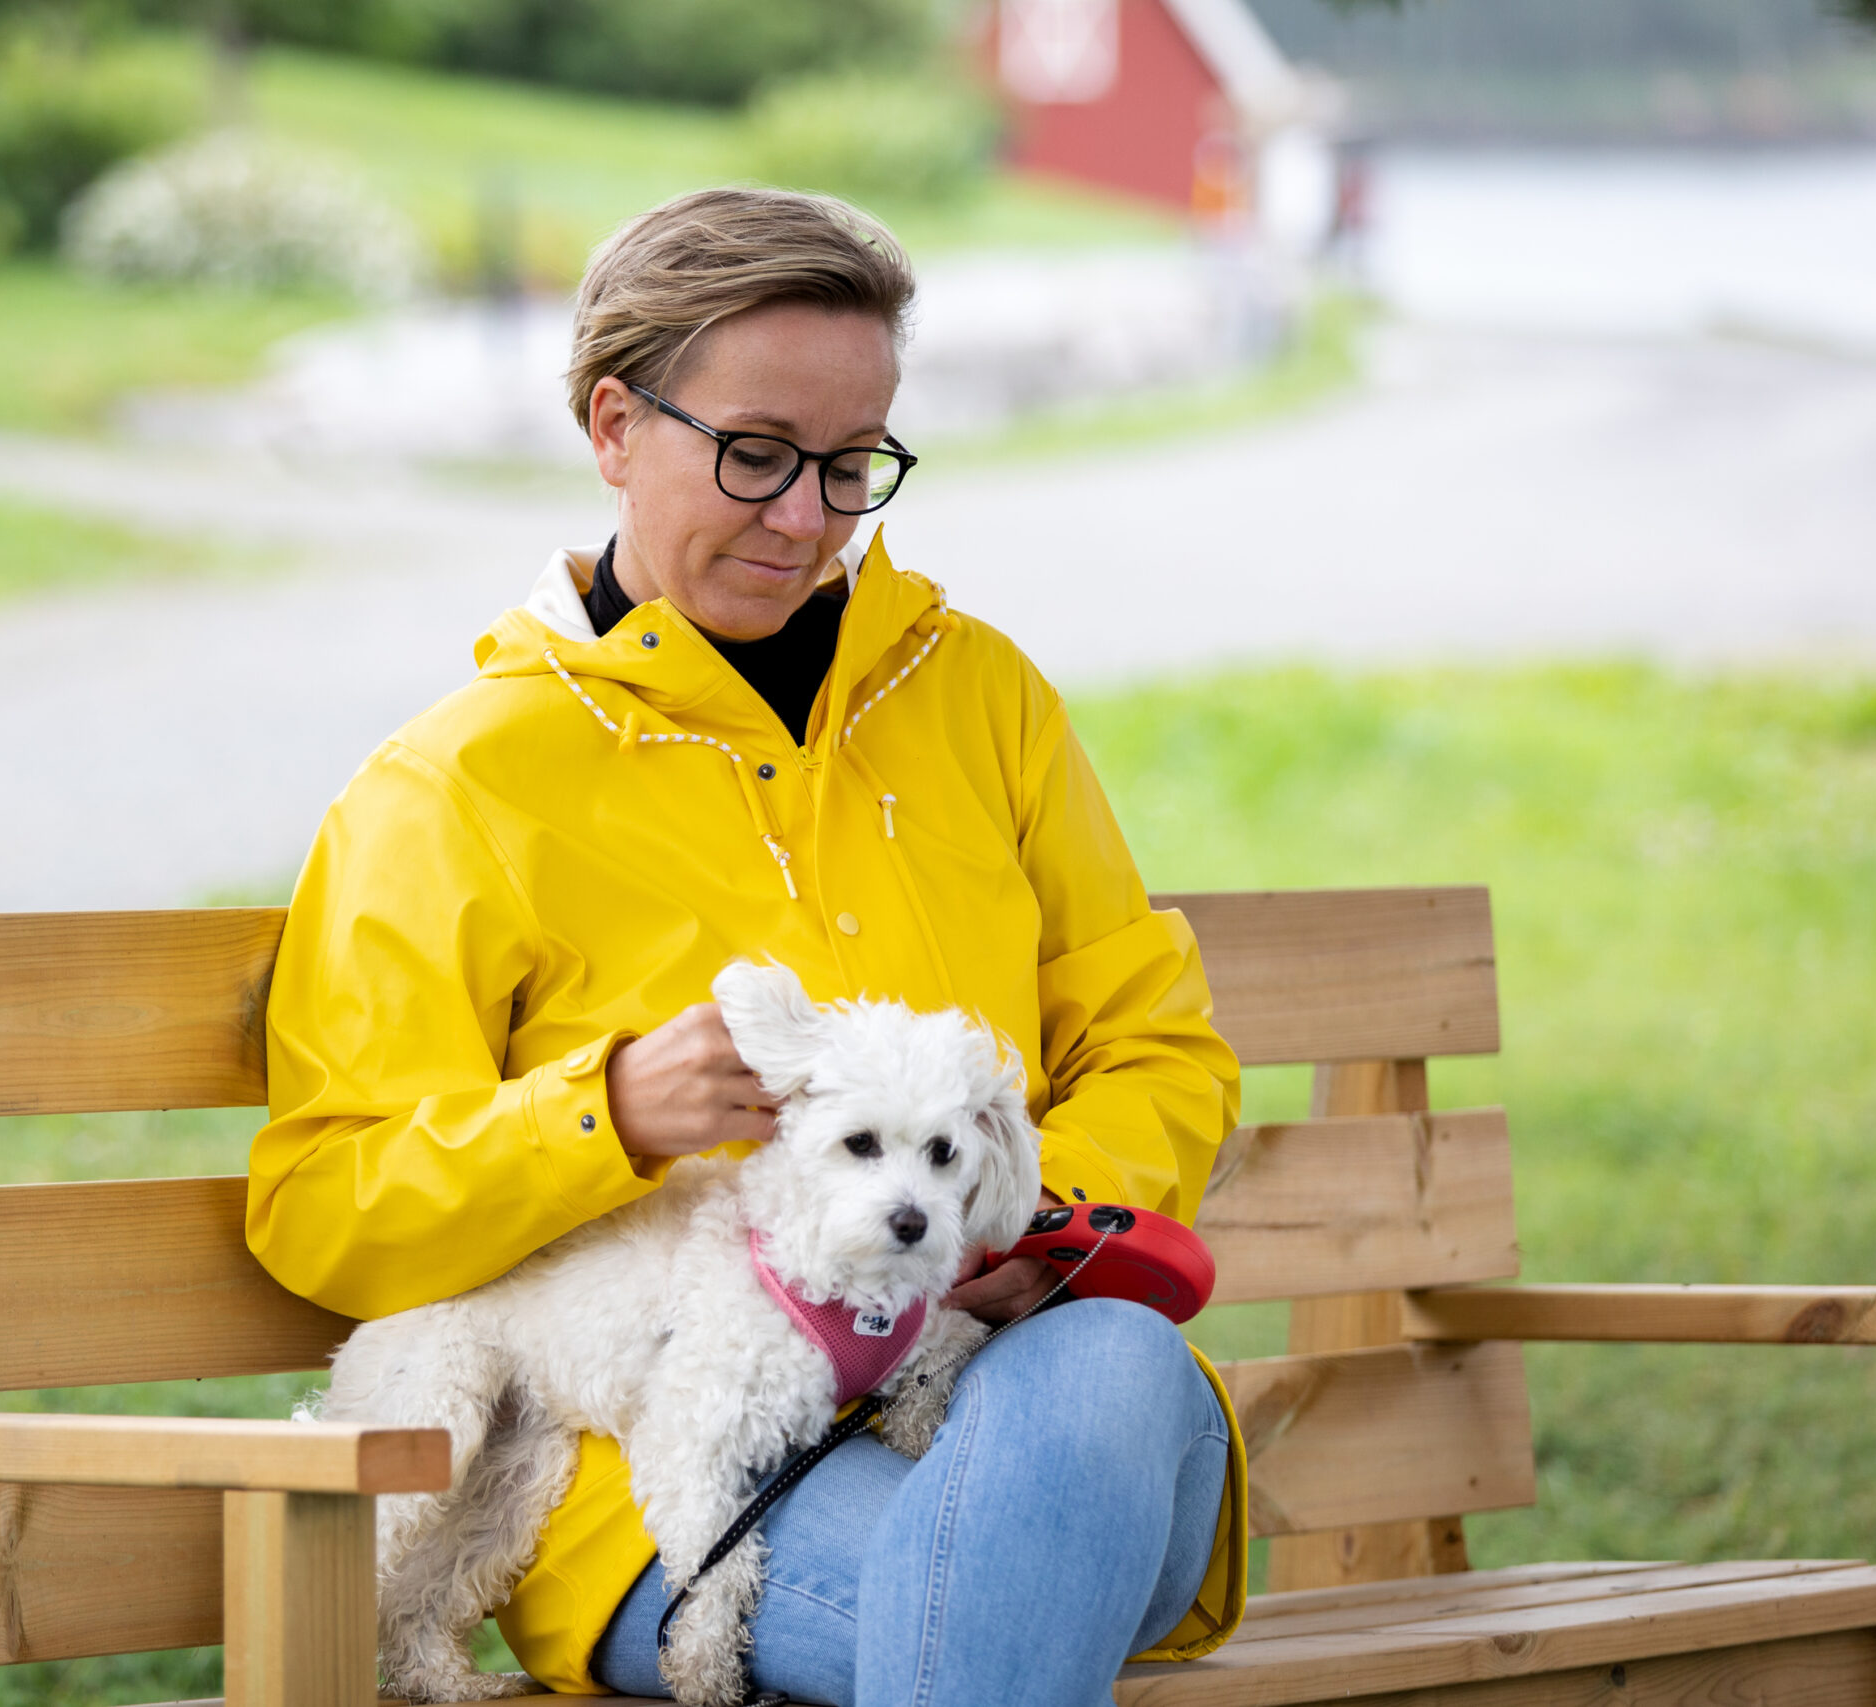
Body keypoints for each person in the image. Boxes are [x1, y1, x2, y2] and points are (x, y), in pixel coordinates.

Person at [248, 187, 1248, 1707]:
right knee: (984, 1619)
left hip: (1018, 1409)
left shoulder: (983, 701)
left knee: (1117, 1364)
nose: (808, 520)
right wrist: (603, 1117)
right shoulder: (454, 787)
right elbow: (327, 1205)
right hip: (666, 1492)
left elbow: (1155, 1044)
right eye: (757, 455)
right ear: (612, 427)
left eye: (853, 466)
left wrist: (1008, 1224)